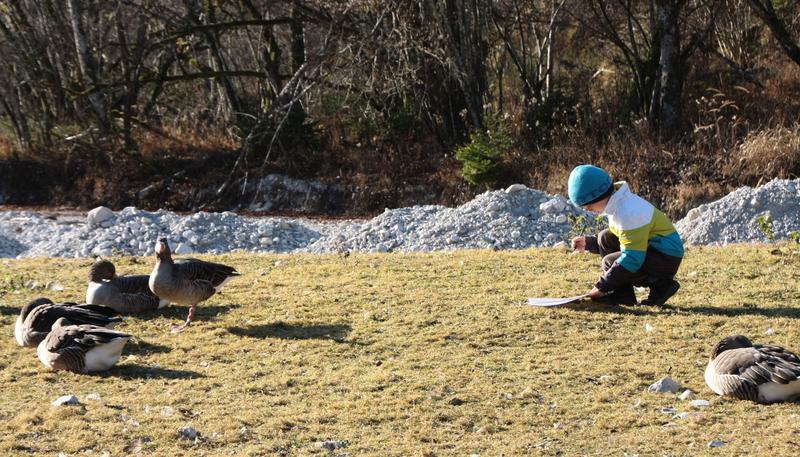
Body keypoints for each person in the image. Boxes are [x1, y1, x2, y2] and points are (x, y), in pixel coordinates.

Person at [568, 165, 684, 306]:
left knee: (609, 262)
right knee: (604, 237)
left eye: (588, 206)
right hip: (655, 249)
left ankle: (660, 284)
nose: (589, 210)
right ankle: (623, 296)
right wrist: (590, 243)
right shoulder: (617, 203)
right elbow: (623, 237)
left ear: (599, 196)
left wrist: (602, 286)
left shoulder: (628, 212)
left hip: (665, 257)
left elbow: (633, 257)